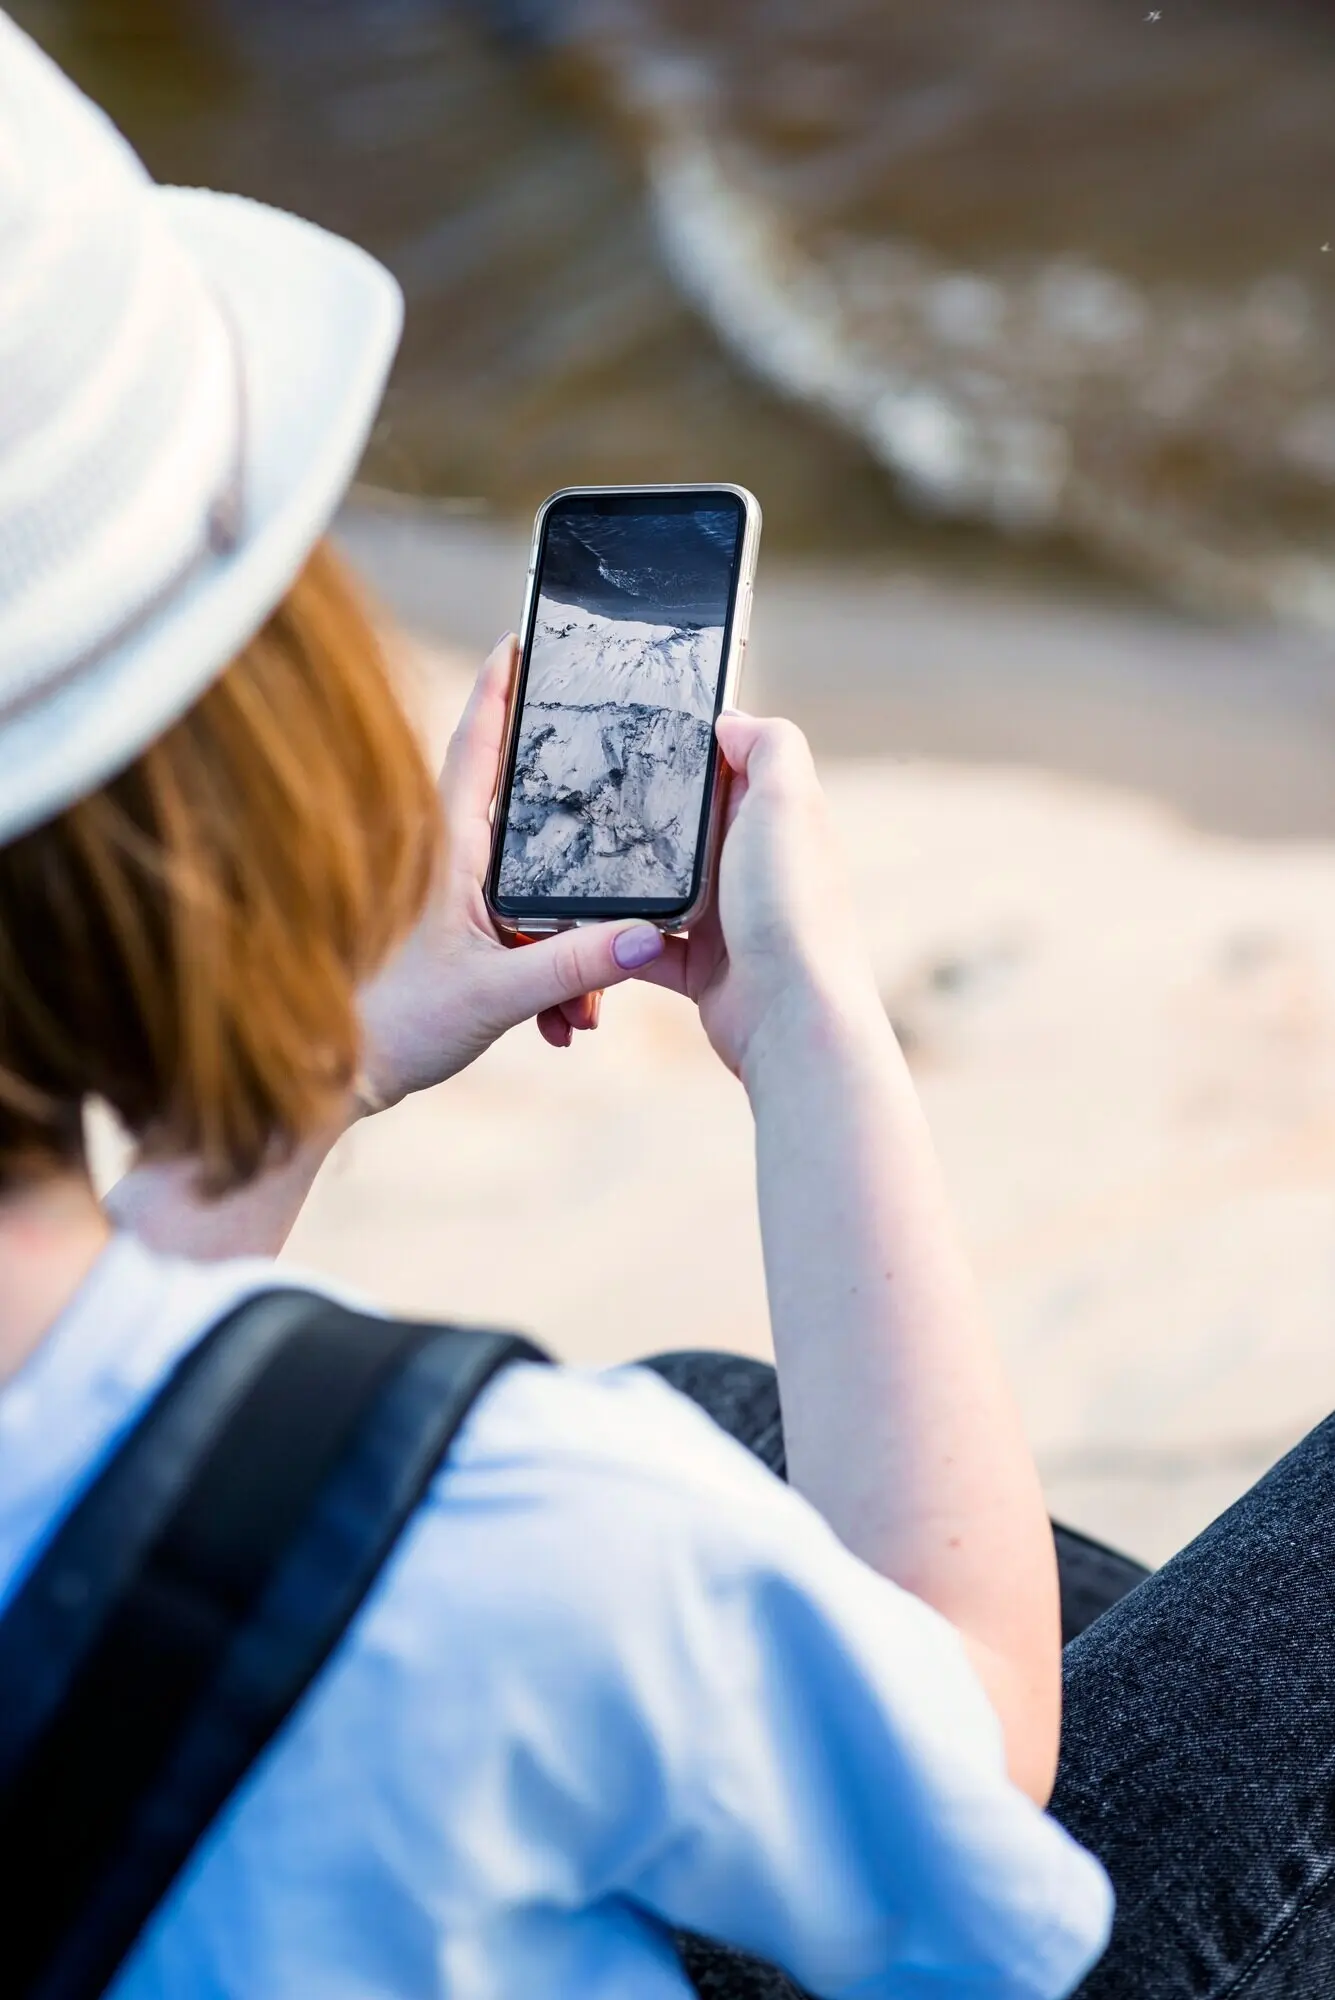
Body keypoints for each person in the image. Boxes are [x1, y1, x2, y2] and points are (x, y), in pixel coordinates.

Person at [0, 16, 1114, 1998]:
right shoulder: (521, 1535)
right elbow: (977, 1777)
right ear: (208, 750)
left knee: (719, 1413)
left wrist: (317, 1068)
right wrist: (811, 1036)